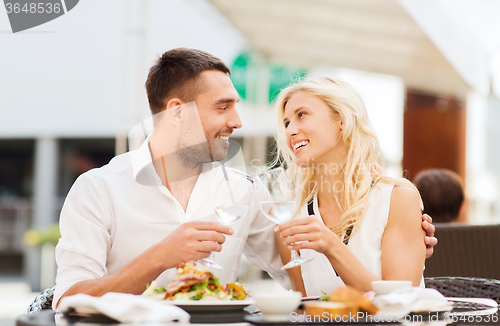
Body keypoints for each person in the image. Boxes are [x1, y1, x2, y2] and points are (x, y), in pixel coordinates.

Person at [53, 49, 437, 308]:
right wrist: (160, 257)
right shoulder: (98, 188)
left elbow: (307, 278)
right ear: (177, 112)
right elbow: (68, 300)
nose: (237, 122)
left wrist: (402, 242)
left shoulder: (246, 192)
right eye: (223, 107)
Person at [273, 76, 427, 296]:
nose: (289, 131)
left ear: (342, 120)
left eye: (302, 115)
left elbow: (401, 303)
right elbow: (303, 310)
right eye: (287, 123)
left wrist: (331, 246)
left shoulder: (397, 198)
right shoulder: (290, 220)